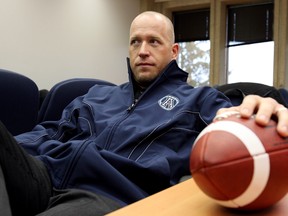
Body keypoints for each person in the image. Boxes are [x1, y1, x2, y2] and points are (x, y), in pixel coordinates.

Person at [0, 11, 287, 216]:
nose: (143, 50)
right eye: (136, 41)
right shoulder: (95, 96)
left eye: (154, 41)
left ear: (174, 51)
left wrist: (269, 111)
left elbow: (239, 124)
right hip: (43, 174)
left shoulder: (199, 99)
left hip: (109, 195)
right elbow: (46, 133)